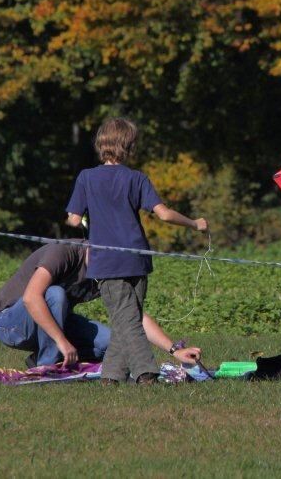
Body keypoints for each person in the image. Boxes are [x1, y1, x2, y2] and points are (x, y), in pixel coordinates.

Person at [65, 117, 208, 385]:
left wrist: (85, 221)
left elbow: (73, 219)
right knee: (128, 319)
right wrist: (194, 223)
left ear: (102, 144)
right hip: (137, 260)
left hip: (107, 262)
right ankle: (115, 375)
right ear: (129, 146)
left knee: (126, 320)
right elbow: (164, 215)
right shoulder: (137, 178)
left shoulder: (86, 177)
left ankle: (144, 374)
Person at [0, 240, 203, 369]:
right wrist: (61, 341)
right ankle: (46, 367)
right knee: (55, 294)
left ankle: (42, 358)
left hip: (53, 322)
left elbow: (133, 314)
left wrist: (174, 350)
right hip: (10, 323)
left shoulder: (107, 272)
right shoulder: (63, 252)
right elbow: (31, 298)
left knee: (112, 345)